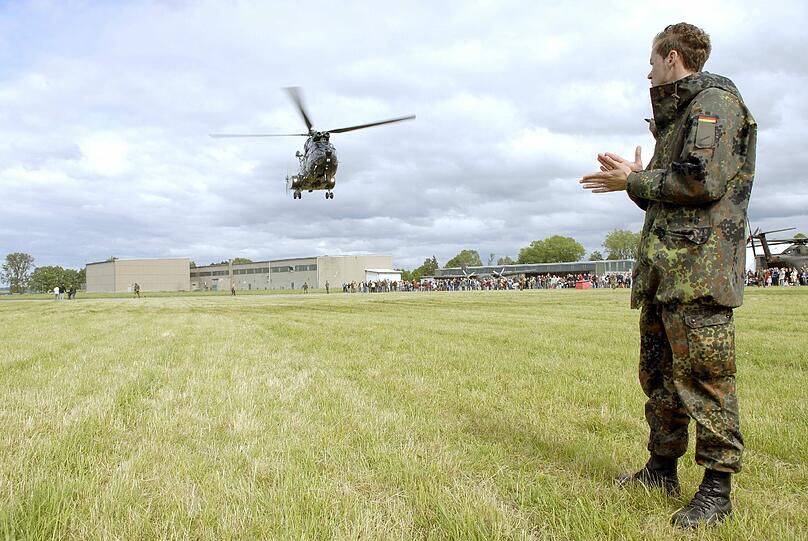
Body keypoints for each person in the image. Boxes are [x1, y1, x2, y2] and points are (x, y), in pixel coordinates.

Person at [580, 23, 756, 528]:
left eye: (653, 61)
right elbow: (669, 194)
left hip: (699, 275)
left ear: (673, 57)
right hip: (666, 273)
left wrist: (634, 178)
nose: (648, 70)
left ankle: (717, 490)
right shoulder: (677, 117)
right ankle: (662, 469)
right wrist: (633, 183)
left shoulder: (714, 104)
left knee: (706, 379)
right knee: (659, 378)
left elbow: (702, 181)